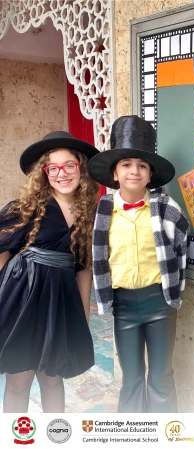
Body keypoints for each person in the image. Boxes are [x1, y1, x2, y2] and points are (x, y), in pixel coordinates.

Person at [88, 115, 190, 413]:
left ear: (150, 174)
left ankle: (164, 431)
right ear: (115, 173)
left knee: (161, 376)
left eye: (142, 165)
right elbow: (99, 256)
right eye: (126, 164)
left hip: (159, 302)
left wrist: (173, 292)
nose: (134, 171)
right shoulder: (103, 211)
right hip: (124, 306)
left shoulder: (167, 208)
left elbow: (181, 248)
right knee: (131, 378)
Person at [0, 131, 99, 412]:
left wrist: (83, 317)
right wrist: (9, 288)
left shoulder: (89, 214)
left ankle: (55, 434)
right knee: (19, 381)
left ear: (81, 168)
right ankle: (14, 435)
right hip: (21, 299)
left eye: (69, 165)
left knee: (53, 379)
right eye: (52, 168)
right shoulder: (27, 207)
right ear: (44, 174)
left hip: (60, 302)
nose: (61, 173)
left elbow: (84, 270)